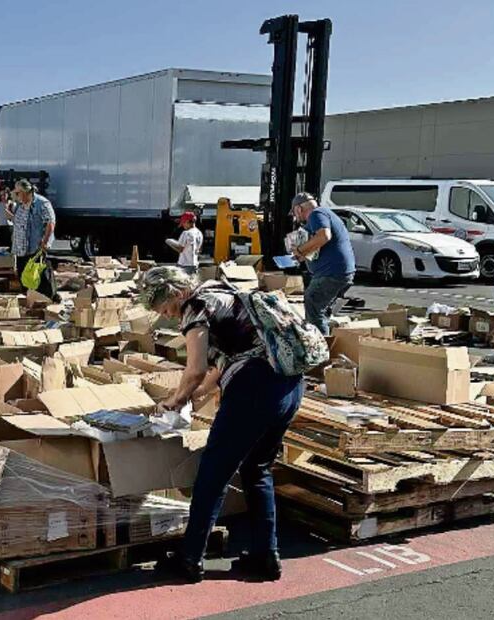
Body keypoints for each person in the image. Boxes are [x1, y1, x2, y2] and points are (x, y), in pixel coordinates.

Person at [139, 266, 304, 583]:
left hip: (254, 389)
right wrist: (193, 396)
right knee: (258, 469)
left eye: (166, 308)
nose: (170, 316)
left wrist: (175, 399)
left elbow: (196, 368)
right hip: (290, 386)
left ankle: (190, 559)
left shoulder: (194, 307)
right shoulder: (220, 290)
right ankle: (266, 556)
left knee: (213, 474)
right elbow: (223, 364)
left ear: (175, 293)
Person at [291, 192, 355, 335]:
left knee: (312, 302)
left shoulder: (316, 214)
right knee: (322, 311)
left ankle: (320, 349)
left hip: (331, 273)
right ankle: (330, 345)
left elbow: (324, 236)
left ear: (299, 209)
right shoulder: (324, 214)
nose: (296, 218)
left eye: (295, 213)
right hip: (341, 272)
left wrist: (300, 250)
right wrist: (302, 254)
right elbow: (319, 244)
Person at [11, 179, 57, 299]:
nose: (16, 196)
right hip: (21, 249)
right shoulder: (19, 205)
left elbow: (50, 223)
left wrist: (45, 241)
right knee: (25, 277)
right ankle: (29, 300)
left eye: (18, 193)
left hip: (35, 248)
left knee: (40, 276)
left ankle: (47, 299)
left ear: (25, 192)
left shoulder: (42, 203)